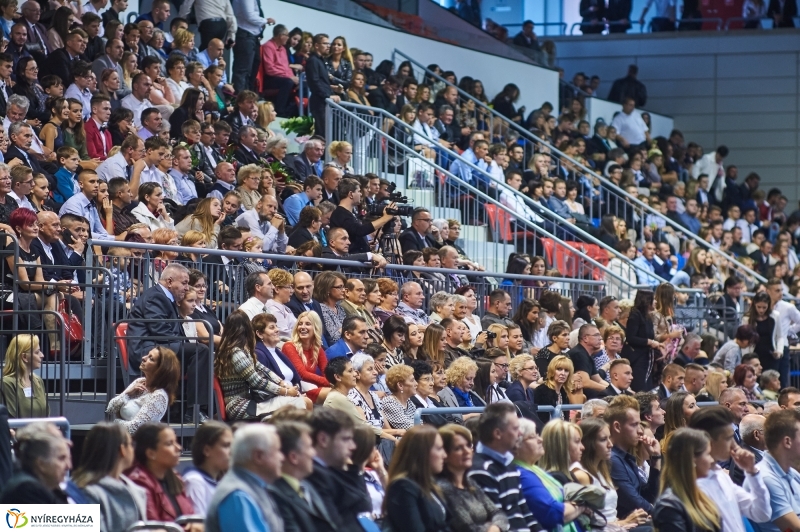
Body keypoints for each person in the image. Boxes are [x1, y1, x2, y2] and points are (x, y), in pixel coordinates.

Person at [216, 311, 308, 420]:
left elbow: (263, 369)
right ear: (246, 329)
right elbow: (257, 381)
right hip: (240, 407)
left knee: (298, 401)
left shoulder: (242, 350)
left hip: (249, 402)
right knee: (297, 402)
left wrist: (282, 383)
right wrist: (286, 392)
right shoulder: (236, 353)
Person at [468, 402, 540, 532]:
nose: (519, 434)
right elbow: (497, 522)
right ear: (497, 434)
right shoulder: (481, 471)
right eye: (515, 429)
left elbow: (525, 512)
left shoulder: (509, 464)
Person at [205, 424, 285, 532]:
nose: (282, 457)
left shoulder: (254, 486)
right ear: (258, 456)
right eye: (277, 451)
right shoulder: (237, 496)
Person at [572, 417, 649, 528]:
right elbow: (586, 524)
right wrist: (624, 522)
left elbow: (609, 514)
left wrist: (632, 520)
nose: (610, 445)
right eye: (603, 439)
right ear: (588, 443)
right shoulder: (581, 475)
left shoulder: (603, 469)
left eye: (609, 438)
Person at [306, 407, 373, 532]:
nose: (353, 446)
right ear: (323, 439)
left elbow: (365, 510)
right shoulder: (313, 475)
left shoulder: (338, 470)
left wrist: (354, 467)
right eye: (346, 439)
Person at [71, 423, 146, 532]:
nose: (133, 449)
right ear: (122, 449)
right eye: (131, 444)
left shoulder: (135, 489)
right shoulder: (86, 492)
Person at [435, 423, 510, 532]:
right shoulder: (443, 488)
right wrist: (493, 527)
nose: (467, 451)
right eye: (458, 448)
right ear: (445, 455)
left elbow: (498, 513)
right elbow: (466, 527)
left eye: (468, 446)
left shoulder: (470, 483)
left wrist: (495, 528)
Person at [514, 418, 584, 532]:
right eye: (532, 437)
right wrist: (580, 505)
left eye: (538, 435)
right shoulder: (522, 475)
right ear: (515, 445)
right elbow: (554, 513)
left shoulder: (535, 471)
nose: (540, 440)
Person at [652, 428, 721, 532]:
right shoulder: (669, 506)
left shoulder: (702, 493)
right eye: (708, 454)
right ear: (691, 460)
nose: (712, 460)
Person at [384, 424, 449, 532]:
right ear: (421, 452)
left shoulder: (428, 483)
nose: (445, 455)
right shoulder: (402, 487)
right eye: (439, 449)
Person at [127, 422, 195, 521]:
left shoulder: (176, 478)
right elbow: (153, 527)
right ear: (151, 453)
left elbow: (190, 515)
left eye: (176, 442)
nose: (179, 448)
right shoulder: (139, 483)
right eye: (169, 444)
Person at [105, 346, 180, 434]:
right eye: (147, 355)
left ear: (160, 370)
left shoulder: (159, 396)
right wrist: (128, 394)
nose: (144, 358)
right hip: (123, 439)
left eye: (151, 359)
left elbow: (134, 429)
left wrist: (115, 422)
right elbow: (110, 408)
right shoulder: (139, 381)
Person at [607, 396, 661, 518]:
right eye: (634, 425)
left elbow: (649, 496)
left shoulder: (627, 458)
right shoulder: (612, 459)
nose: (640, 431)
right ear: (617, 427)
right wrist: (662, 514)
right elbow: (636, 504)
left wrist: (655, 458)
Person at [0, 425, 70, 503]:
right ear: (41, 464)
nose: (69, 466)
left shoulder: (45, 486)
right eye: (61, 458)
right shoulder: (27, 491)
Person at [282, 311, 331, 404]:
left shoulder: (318, 348)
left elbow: (327, 372)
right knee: (334, 393)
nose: (302, 327)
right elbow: (302, 374)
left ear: (315, 328)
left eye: (308, 324)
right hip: (297, 390)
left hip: (313, 387)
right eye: (300, 324)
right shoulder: (289, 346)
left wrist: (333, 382)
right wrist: (330, 383)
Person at [622, 290, 663, 392]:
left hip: (646, 358)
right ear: (646, 300)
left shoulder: (647, 316)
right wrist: (650, 342)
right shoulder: (635, 315)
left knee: (648, 388)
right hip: (637, 360)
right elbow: (631, 337)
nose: (655, 302)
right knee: (641, 388)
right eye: (653, 299)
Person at [2, 334, 49, 418]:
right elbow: (11, 419)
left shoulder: (38, 381)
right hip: (21, 431)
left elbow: (46, 414)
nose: (42, 355)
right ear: (24, 357)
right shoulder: (7, 383)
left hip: (41, 430)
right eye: (37, 352)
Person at [381, 363, 419, 430]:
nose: (416, 384)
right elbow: (409, 428)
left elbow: (419, 423)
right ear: (400, 386)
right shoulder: (389, 403)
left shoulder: (409, 402)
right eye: (412, 380)